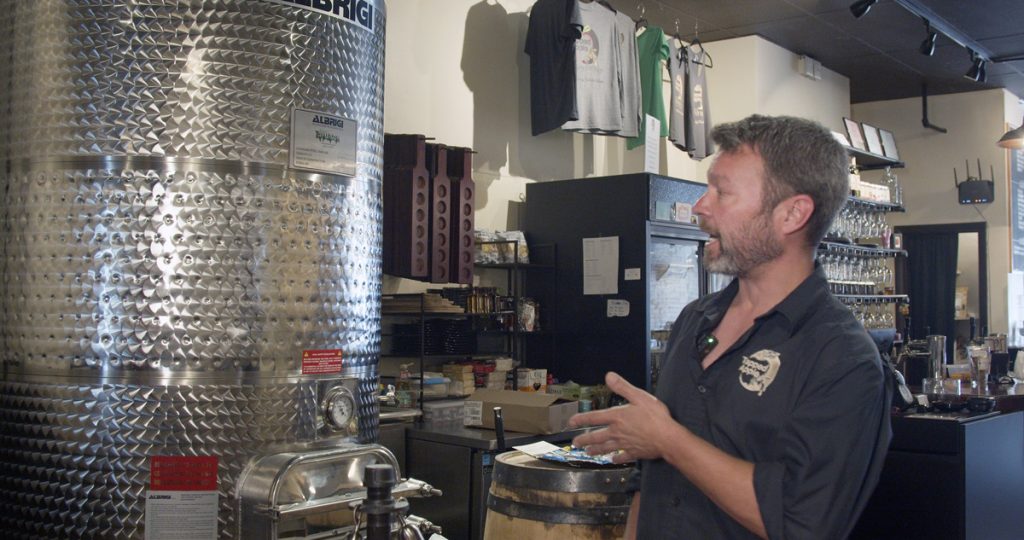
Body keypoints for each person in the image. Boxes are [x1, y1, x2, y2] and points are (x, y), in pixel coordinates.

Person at [569, 114, 891, 540]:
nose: (701, 205)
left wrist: (669, 439)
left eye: (722, 192)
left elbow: (800, 523)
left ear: (793, 213)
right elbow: (652, 486)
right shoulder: (695, 319)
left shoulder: (843, 359)